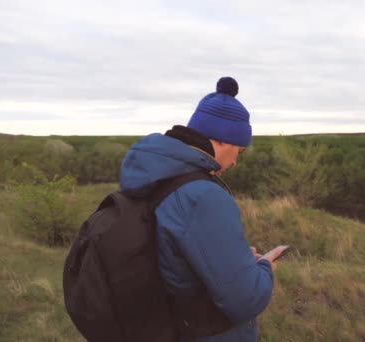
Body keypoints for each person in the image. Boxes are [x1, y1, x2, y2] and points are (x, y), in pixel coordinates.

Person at [118, 77, 276, 341]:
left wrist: (234, 259)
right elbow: (246, 300)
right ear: (224, 140)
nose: (236, 161)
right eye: (239, 149)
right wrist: (263, 268)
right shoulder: (202, 197)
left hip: (166, 322)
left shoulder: (156, 176)